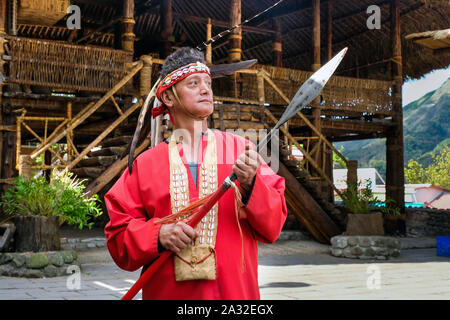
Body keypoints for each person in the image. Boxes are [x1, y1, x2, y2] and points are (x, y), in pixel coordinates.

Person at [104, 47, 287, 300]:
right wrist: (158, 234)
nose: (206, 90)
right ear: (168, 97)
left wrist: (251, 184)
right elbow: (118, 238)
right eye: (193, 83)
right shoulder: (145, 164)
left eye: (208, 83)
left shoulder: (240, 150)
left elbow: (274, 225)